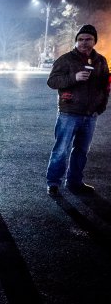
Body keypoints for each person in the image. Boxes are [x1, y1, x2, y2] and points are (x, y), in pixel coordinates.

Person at [46, 25, 109, 197]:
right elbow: (52, 81)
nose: (83, 42)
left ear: (95, 41)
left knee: (81, 151)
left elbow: (105, 86)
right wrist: (74, 78)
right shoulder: (66, 59)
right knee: (61, 150)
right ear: (76, 40)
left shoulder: (101, 61)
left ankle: (75, 182)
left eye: (88, 39)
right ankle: (53, 183)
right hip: (69, 112)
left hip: (90, 115)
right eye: (80, 39)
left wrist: (100, 106)